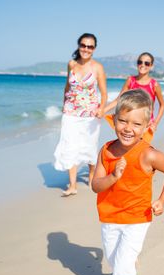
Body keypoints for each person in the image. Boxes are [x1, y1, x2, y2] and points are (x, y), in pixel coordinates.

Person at [92, 89, 164, 275]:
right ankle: (129, 259)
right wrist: (113, 176)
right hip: (109, 216)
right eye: (123, 121)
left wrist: (162, 199)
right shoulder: (107, 151)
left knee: (122, 266)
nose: (128, 128)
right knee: (113, 258)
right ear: (114, 119)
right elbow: (95, 185)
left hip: (138, 218)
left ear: (146, 126)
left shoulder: (148, 154)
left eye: (136, 123)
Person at [54, 33, 107, 196]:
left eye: (90, 46)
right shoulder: (71, 64)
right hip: (70, 114)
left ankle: (91, 177)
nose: (86, 49)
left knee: (89, 146)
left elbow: (104, 93)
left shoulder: (97, 67)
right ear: (79, 46)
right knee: (70, 146)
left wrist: (101, 108)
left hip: (90, 115)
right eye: (83, 45)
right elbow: (67, 88)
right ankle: (72, 186)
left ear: (94, 49)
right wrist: (64, 106)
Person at [104, 52, 164, 143]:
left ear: (151, 66)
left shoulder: (154, 85)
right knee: (126, 147)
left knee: (141, 150)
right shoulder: (131, 81)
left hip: (145, 124)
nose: (142, 65)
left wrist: (155, 123)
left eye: (147, 63)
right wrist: (103, 110)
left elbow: (162, 105)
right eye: (140, 62)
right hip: (129, 122)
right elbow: (119, 99)